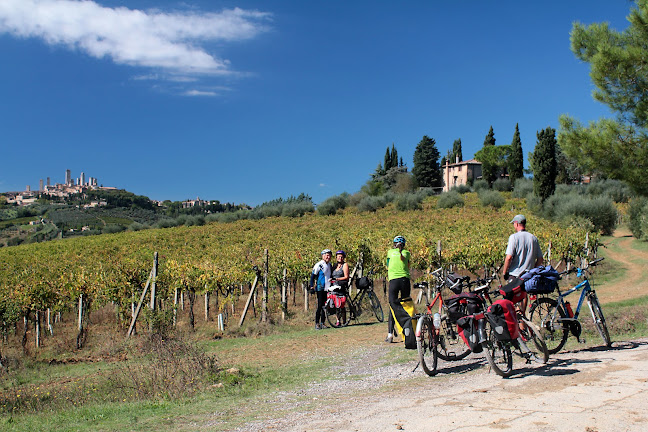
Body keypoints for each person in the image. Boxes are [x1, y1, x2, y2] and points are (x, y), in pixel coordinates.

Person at [501, 214, 543, 313]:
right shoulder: (533, 238)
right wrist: (533, 270)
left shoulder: (514, 237)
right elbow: (540, 259)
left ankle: (515, 325)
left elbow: (509, 257)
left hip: (515, 275)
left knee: (511, 302)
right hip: (528, 276)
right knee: (524, 298)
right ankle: (522, 326)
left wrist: (504, 272)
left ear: (516, 224)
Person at [385, 235, 411, 343]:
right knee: (406, 305)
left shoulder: (390, 252)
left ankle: (390, 334)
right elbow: (408, 265)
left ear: (394, 244)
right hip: (405, 280)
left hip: (394, 280)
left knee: (393, 305)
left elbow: (387, 265)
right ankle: (408, 329)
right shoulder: (407, 253)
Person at [310, 249, 333, 330]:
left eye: (329, 255)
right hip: (320, 288)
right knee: (320, 306)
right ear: (323, 256)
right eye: (327, 255)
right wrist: (311, 286)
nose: (328, 257)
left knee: (325, 306)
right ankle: (317, 323)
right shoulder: (319, 265)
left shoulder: (330, 265)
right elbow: (313, 276)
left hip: (328, 288)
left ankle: (323, 323)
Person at [328, 250, 350, 326]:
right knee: (335, 304)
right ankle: (338, 320)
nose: (340, 258)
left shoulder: (345, 265)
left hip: (341, 286)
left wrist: (337, 279)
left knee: (342, 304)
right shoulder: (334, 266)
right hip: (334, 286)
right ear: (336, 257)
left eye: (341, 256)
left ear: (343, 257)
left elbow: (346, 277)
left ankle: (344, 320)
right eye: (338, 256)